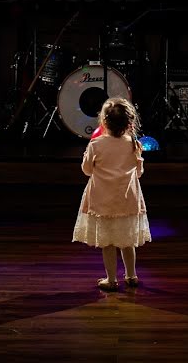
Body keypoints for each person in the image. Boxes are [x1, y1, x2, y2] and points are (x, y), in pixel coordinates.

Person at [72, 97, 151, 291]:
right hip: (127, 200)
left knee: (107, 242)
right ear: (129, 122)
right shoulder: (134, 144)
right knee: (127, 241)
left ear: (103, 121)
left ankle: (111, 279)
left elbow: (87, 170)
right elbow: (139, 173)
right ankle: (131, 276)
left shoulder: (96, 145)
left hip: (103, 200)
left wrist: (86, 156)